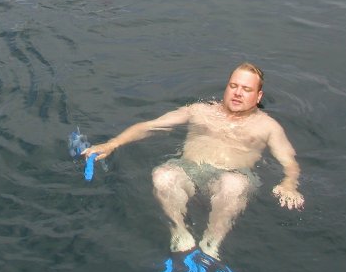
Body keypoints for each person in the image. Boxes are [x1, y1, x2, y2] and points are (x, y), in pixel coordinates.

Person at [82, 62, 304, 261]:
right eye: (233, 86)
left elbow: (290, 162)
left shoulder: (268, 126)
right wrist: (112, 144)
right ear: (226, 87)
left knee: (233, 185)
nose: (237, 93)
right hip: (189, 171)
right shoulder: (199, 111)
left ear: (258, 96)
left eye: (246, 89)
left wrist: (289, 184)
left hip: (232, 178)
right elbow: (149, 126)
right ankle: (180, 237)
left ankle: (210, 247)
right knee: (164, 175)